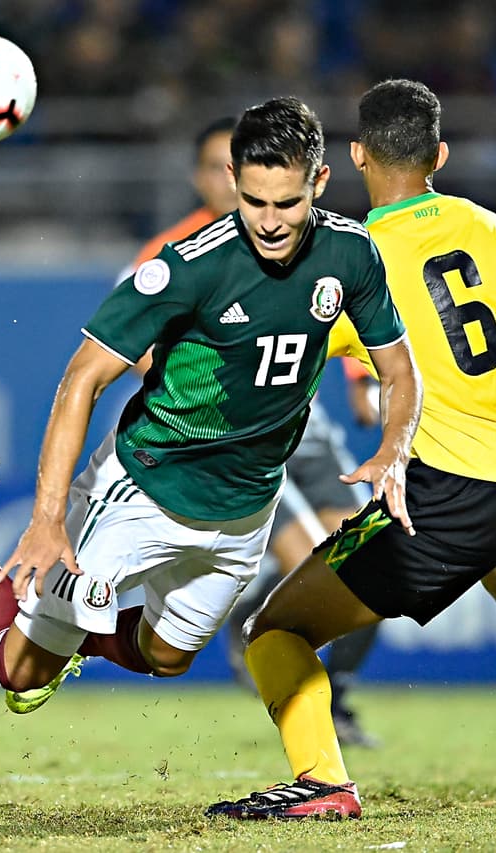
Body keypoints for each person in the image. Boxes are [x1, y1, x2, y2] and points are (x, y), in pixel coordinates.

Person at [207, 79, 496, 821]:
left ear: (357, 155)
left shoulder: (353, 256)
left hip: (455, 491)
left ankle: (322, 779)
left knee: (275, 628)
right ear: (440, 154)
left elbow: (274, 364)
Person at [0, 96, 421, 719]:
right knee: (21, 674)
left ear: (318, 182)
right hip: (144, 489)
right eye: (254, 201)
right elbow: (82, 380)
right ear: (232, 181)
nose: (268, 221)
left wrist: (393, 453)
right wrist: (47, 520)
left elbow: (399, 369)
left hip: (246, 507)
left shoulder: (351, 253)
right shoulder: (185, 268)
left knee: (166, 657)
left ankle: (69, 628)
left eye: (286, 203)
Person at [126, 114, 386, 747]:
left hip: (306, 428)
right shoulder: (180, 254)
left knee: (371, 560)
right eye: (229, 175)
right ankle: (286, 670)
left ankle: (329, 687)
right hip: (230, 443)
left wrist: (365, 383)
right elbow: (135, 352)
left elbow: (350, 313)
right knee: (315, 562)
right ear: (218, 178)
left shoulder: (311, 243)